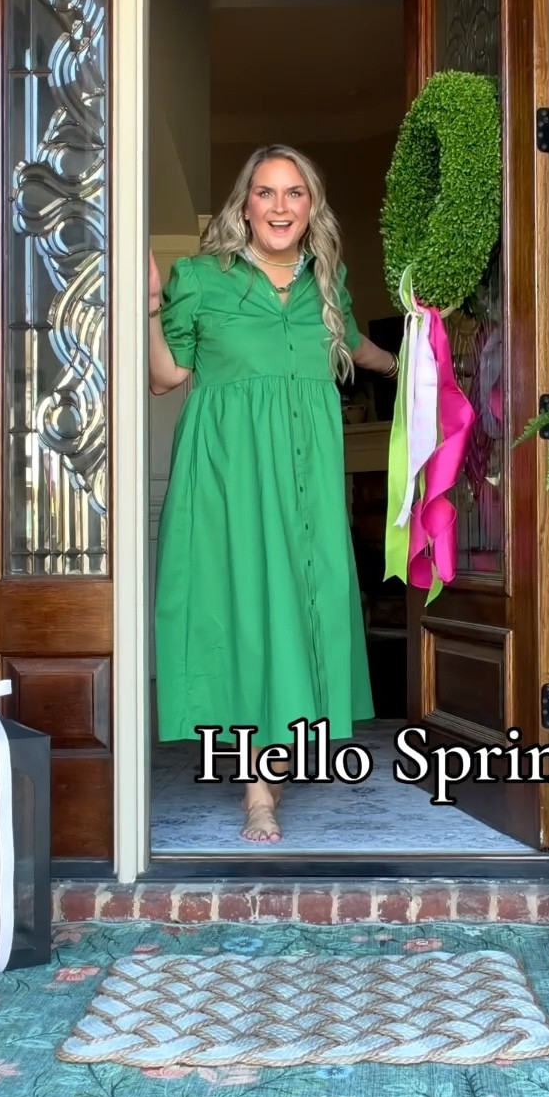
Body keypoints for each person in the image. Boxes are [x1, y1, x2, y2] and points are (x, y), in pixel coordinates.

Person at [149, 145, 399, 843]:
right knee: (248, 614)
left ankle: (276, 767)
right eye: (266, 193)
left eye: (295, 193)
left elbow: (357, 347)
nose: (281, 206)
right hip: (229, 478)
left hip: (307, 479)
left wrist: (426, 361)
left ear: (311, 206)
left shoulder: (328, 282)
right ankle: (260, 791)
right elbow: (166, 376)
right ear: (244, 205)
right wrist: (143, 309)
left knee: (299, 608)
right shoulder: (200, 278)